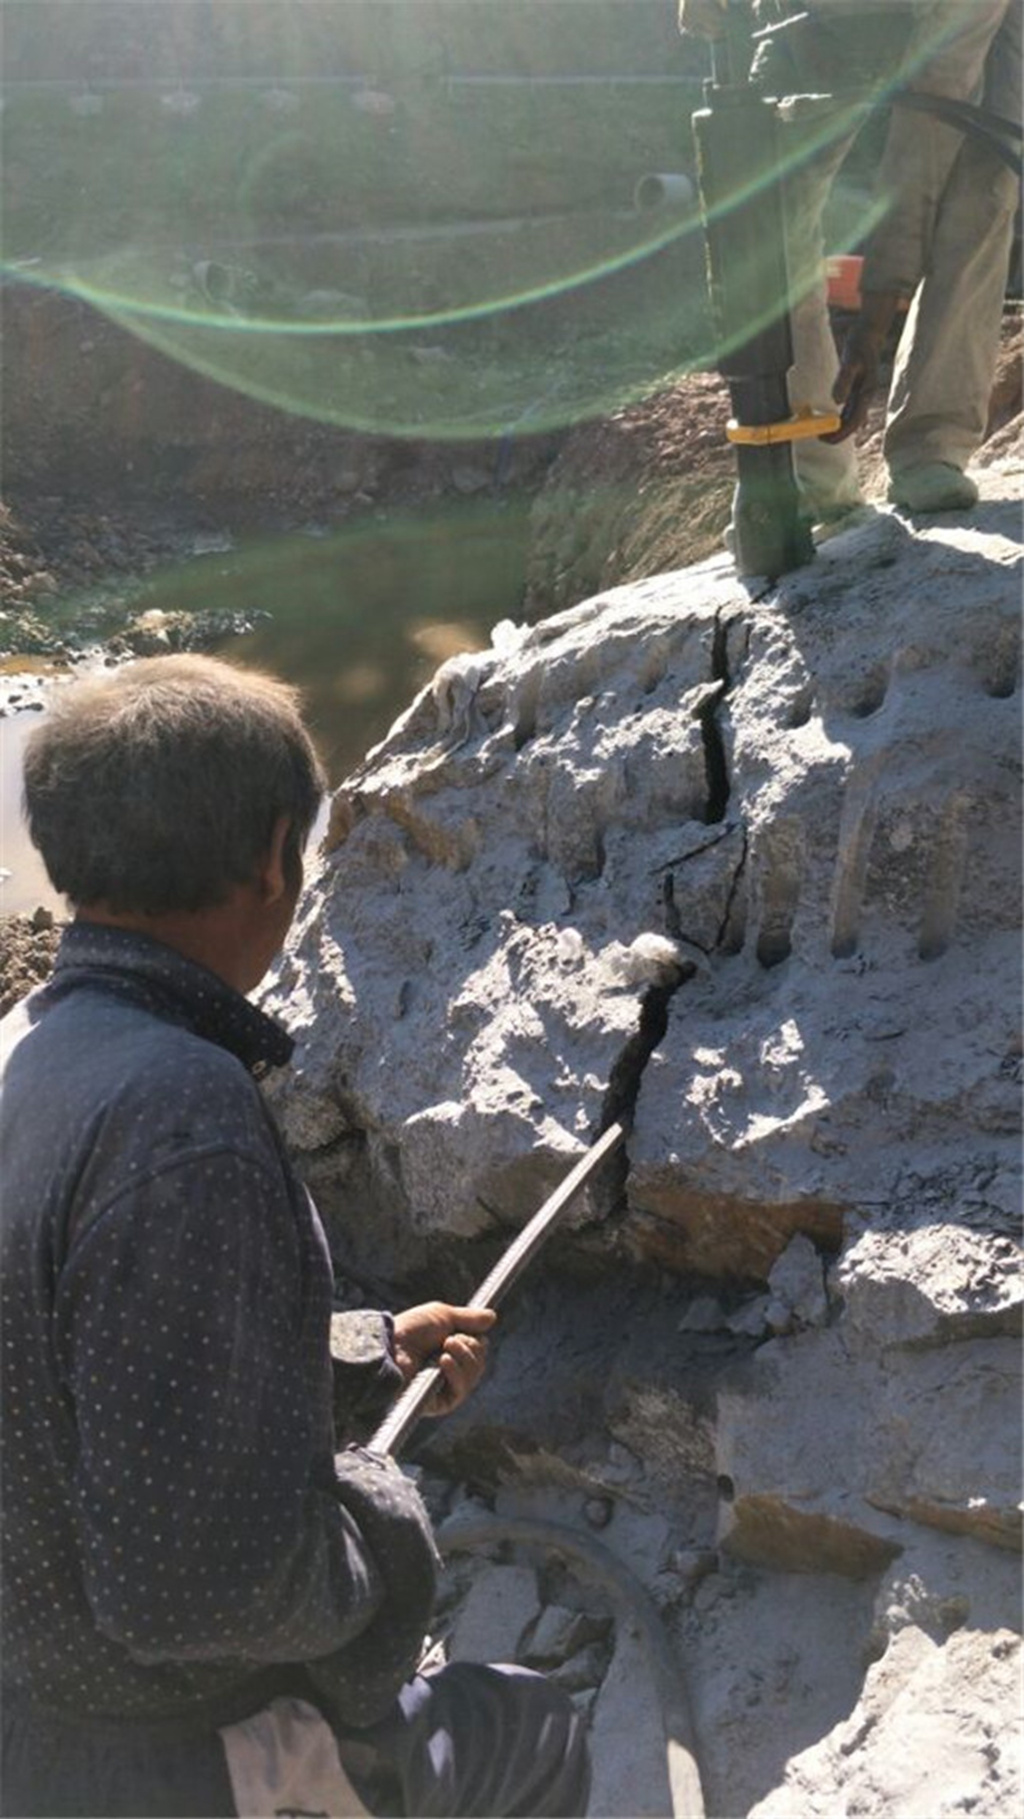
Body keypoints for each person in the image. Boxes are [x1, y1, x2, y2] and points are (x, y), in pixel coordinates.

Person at [0, 655, 590, 1819]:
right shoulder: (184, 1117)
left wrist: (357, 1348)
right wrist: (377, 1504)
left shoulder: (32, 1045)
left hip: (30, 1685)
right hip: (150, 1757)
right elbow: (199, 1594)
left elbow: (82, 1341)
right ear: (276, 856)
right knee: (535, 1729)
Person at [679, 0, 1020, 517]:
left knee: (981, 190)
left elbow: (929, 131)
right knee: (765, 208)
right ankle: (807, 468)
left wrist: (879, 310)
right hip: (805, 18)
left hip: (974, 26)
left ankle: (930, 447)